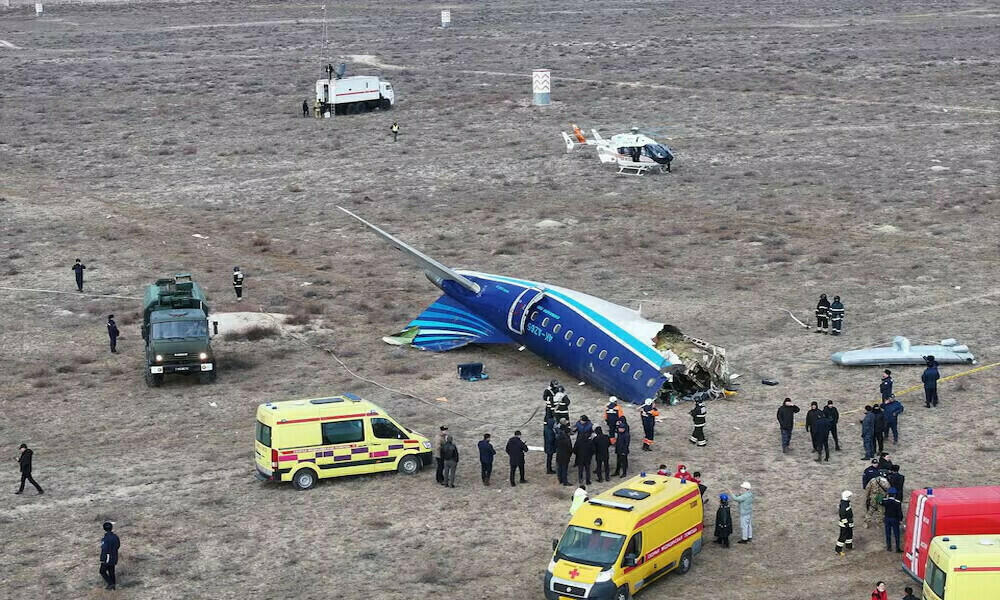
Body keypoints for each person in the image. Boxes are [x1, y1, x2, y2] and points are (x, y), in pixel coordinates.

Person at [100, 521, 120, 590]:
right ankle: (113, 585)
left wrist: (102, 558)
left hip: (107, 557)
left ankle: (110, 584)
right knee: (111, 571)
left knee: (102, 571)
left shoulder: (105, 539)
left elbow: (104, 549)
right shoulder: (116, 537)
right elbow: (118, 546)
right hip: (114, 556)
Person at [882, 488, 903, 552]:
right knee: (896, 534)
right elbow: (899, 512)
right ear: (895, 495)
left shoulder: (885, 501)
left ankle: (889, 547)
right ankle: (897, 548)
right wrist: (900, 519)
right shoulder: (897, 502)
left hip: (887, 519)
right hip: (895, 519)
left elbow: (880, 501)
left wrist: (885, 496)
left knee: (888, 533)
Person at [574, 422, 593, 486]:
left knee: (580, 469)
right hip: (587, 457)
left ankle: (580, 479)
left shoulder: (579, 442)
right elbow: (592, 450)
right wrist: (590, 455)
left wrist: (577, 454)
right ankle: (588, 480)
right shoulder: (590, 442)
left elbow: (575, 449)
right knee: (587, 469)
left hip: (580, 457)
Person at [836, 490, 855, 556]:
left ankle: (849, 546)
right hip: (845, 524)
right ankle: (838, 549)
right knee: (843, 536)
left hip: (849, 522)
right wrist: (846, 524)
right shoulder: (844, 505)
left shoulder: (846, 503)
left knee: (849, 535)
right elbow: (842, 515)